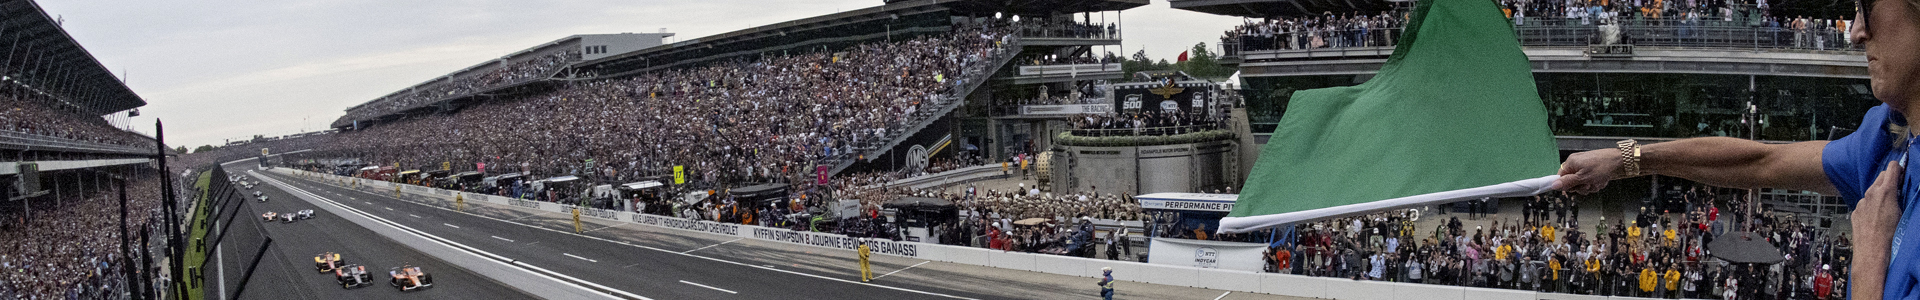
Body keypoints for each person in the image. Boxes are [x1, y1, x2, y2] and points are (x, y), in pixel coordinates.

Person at [1553, 3, 1915, 299]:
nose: (1855, 33)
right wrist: (1623, 159)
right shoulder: (1887, 135)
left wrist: (1867, 267)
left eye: (1867, 6)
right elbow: (1762, 162)